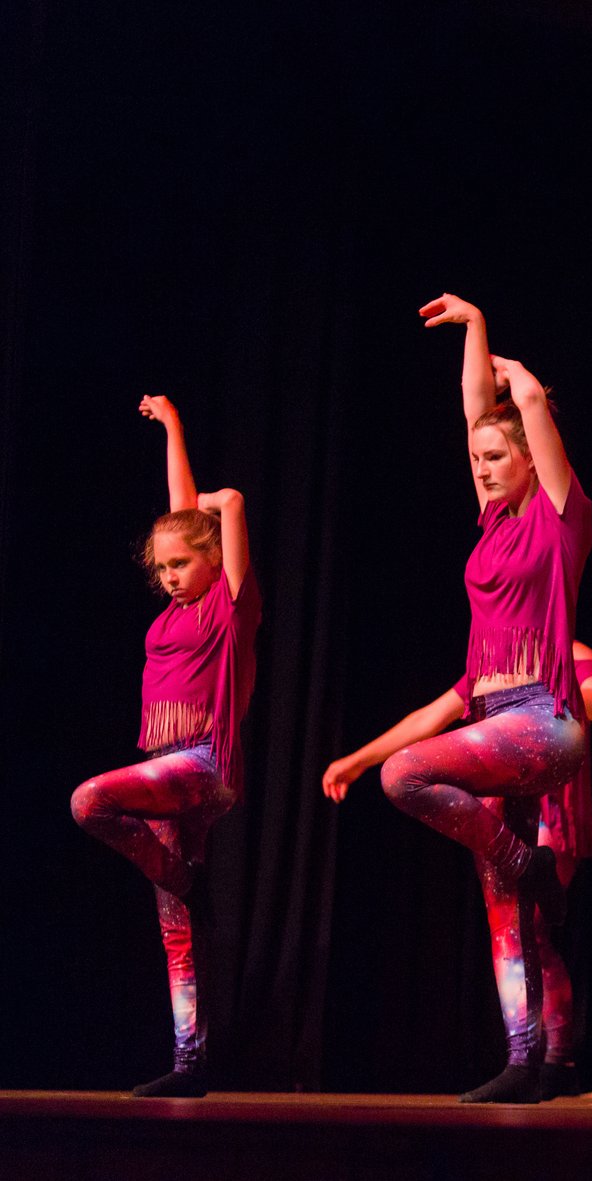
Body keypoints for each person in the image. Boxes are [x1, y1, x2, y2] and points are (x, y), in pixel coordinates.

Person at [321, 292, 592, 1103]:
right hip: (490, 722)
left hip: (543, 719)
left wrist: (520, 378)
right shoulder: (491, 526)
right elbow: (475, 414)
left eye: (497, 457)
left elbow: (522, 411)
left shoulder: (561, 519)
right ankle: (530, 1061)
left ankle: (527, 865)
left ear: (533, 461)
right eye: (476, 458)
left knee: (408, 775)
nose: (482, 466)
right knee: (508, 910)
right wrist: (474, 331)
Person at [324, 641, 592, 1101]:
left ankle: (557, 1060)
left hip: (554, 813)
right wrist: (357, 761)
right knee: (519, 929)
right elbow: (428, 718)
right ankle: (543, 1060)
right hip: (504, 809)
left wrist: (551, 693)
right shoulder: (493, 663)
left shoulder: (564, 650)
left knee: (531, 927)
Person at [71, 395, 260, 1098]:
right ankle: (190, 1063)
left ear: (214, 560)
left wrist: (212, 505)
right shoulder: (175, 610)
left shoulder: (230, 606)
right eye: (163, 568)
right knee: (176, 929)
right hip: (164, 768)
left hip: (206, 764)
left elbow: (225, 505)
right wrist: (174, 424)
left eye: (182, 563)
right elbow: (183, 516)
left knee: (90, 800)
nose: (171, 575)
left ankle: (184, 879)